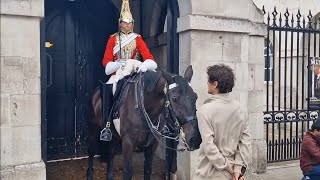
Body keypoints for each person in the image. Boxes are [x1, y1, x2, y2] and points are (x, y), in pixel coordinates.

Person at [99, 0, 157, 141]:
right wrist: (117, 64)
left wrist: (144, 65)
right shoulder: (113, 39)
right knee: (110, 91)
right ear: (120, 23)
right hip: (117, 74)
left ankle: (153, 125)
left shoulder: (137, 39)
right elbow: (106, 63)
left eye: (130, 22)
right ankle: (107, 126)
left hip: (133, 72)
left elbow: (150, 58)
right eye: (125, 22)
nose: (128, 25)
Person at [193, 64, 251, 180]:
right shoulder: (240, 109)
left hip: (209, 173)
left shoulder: (205, 110)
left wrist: (229, 167)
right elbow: (245, 143)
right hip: (233, 174)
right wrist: (237, 170)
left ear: (215, 84)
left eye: (208, 81)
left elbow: (209, 146)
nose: (207, 84)